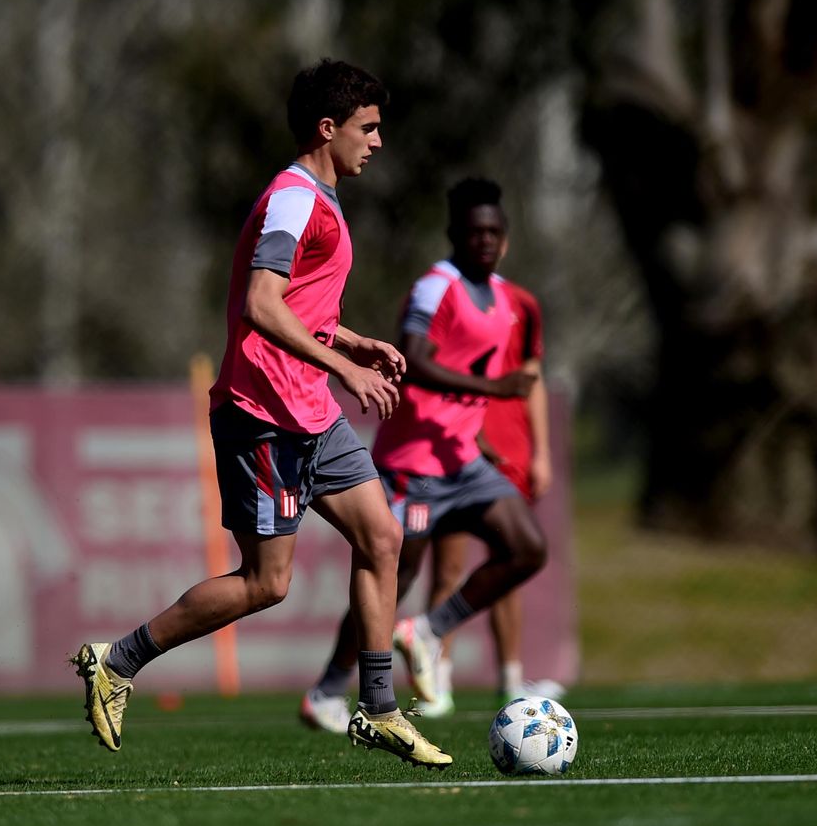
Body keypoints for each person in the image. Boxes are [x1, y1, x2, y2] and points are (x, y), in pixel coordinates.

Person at [72, 59, 453, 769]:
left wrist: (352, 342)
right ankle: (116, 661)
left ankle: (377, 709)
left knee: (383, 537)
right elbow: (261, 303)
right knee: (266, 583)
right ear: (328, 128)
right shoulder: (293, 198)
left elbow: (300, 305)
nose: (378, 142)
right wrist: (344, 370)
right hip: (264, 414)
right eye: (369, 128)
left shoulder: (320, 199)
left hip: (310, 410)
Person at [299, 177, 547, 733]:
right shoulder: (436, 289)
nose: (485, 240)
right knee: (392, 574)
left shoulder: (505, 298)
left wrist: (475, 429)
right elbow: (414, 361)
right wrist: (495, 390)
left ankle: (429, 631)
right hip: (414, 466)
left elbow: (465, 373)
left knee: (527, 548)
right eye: (475, 231)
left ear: (505, 237)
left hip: (463, 461)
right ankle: (327, 690)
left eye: (494, 231)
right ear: (455, 233)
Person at [422, 277, 565, 716]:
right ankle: (436, 683)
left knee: (509, 562)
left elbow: (532, 378)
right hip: (457, 447)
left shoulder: (523, 303)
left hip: (510, 451)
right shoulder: (446, 295)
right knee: (447, 568)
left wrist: (541, 451)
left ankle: (510, 679)